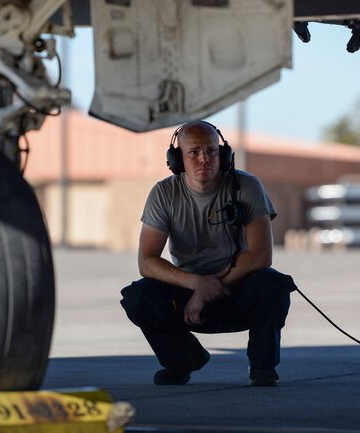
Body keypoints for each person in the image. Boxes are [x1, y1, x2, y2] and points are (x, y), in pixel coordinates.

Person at [120, 120, 296, 386]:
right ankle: (184, 358)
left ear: (223, 154)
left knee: (273, 285)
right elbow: (147, 261)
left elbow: (261, 256)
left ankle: (263, 368)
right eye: (194, 152)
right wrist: (197, 285)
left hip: (237, 290)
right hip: (187, 295)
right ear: (177, 158)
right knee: (137, 297)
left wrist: (209, 289)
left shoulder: (246, 186)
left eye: (212, 151)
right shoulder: (164, 193)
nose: (204, 159)